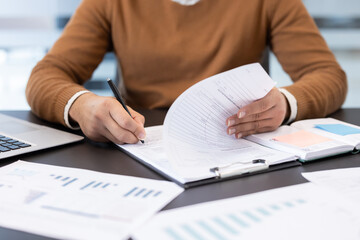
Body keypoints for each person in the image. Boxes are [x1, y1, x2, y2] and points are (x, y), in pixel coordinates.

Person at [26, 0, 347, 144]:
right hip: (141, 143)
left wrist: (286, 103)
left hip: (237, 143)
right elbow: (46, 76)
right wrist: (83, 106)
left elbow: (327, 75)